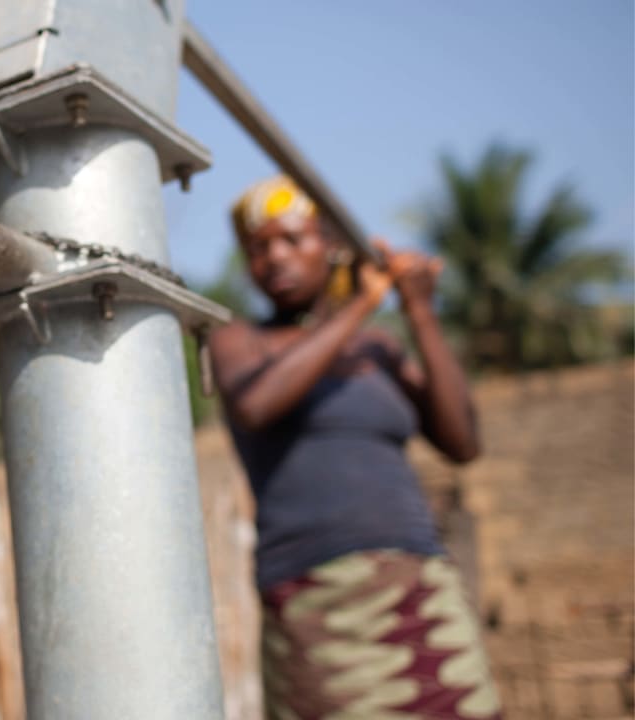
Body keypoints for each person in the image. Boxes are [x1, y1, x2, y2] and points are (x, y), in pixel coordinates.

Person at [209, 176, 502, 719]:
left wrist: (419, 312)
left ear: (331, 246)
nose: (275, 257)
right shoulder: (239, 340)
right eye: (258, 248)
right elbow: (255, 406)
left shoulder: (378, 349)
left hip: (418, 582)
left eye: (293, 239)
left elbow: (462, 442)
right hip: (315, 595)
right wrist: (362, 303)